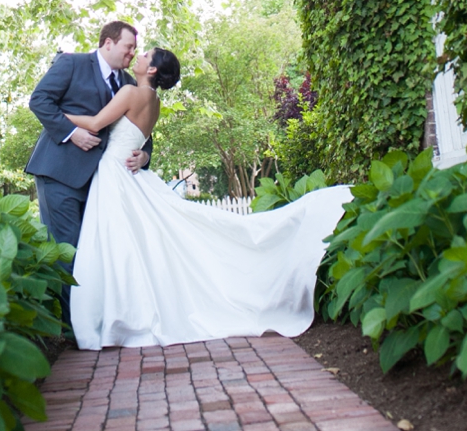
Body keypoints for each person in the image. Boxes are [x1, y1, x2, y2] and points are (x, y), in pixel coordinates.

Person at [62, 46, 353, 350]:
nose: (139, 55)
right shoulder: (155, 102)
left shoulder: (131, 94)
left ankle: (119, 319)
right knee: (132, 245)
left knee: (118, 246)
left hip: (115, 174)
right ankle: (123, 318)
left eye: (145, 54)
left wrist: (60, 114)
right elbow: (139, 140)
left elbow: (95, 124)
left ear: (151, 70)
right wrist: (145, 154)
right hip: (129, 173)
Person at [26, 20, 149, 325]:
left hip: (101, 182)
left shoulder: (129, 86)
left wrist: (145, 156)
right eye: (128, 46)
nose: (132, 53)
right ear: (108, 42)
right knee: (69, 249)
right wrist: (71, 133)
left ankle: (92, 322)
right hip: (59, 173)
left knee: (94, 251)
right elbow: (39, 100)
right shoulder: (71, 63)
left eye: (134, 49)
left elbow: (139, 131)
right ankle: (71, 329)